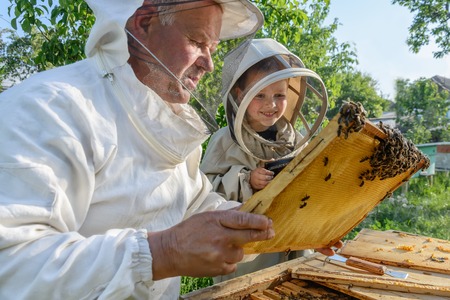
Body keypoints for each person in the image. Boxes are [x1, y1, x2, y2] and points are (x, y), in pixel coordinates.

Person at [0, 1, 340, 299]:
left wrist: (296, 225)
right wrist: (163, 251)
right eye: (197, 41)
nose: (208, 63)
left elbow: (205, 206)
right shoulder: (50, 108)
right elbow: (11, 265)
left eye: (213, 47)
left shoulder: (165, 124)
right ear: (144, 23)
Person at [200, 38, 330, 281]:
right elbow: (203, 192)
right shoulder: (224, 141)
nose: (270, 104)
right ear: (240, 95)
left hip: (293, 244)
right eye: (259, 95)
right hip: (248, 256)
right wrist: (246, 179)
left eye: (279, 94)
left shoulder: (295, 139)